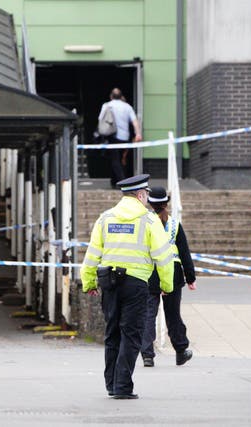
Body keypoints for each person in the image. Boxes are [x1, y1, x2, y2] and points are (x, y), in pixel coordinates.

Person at [81, 174, 174, 399]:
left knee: (112, 333)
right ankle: (123, 387)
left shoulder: (105, 218)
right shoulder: (149, 220)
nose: (147, 200)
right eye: (146, 196)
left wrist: (89, 281)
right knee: (131, 334)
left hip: (108, 283)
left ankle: (111, 384)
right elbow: (163, 257)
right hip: (136, 285)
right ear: (141, 195)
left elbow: (92, 254)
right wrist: (166, 285)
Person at [140, 187, 196, 368]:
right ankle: (181, 350)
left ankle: (147, 354)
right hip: (173, 273)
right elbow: (184, 252)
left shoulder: (144, 222)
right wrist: (190, 277)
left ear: (150, 202)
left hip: (150, 272)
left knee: (149, 313)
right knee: (173, 314)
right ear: (166, 203)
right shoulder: (174, 224)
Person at [98, 88, 143, 188]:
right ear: (121, 96)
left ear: (111, 96)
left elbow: (101, 119)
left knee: (115, 160)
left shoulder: (107, 105)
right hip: (125, 138)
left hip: (112, 136)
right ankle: (114, 181)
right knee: (121, 159)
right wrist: (138, 133)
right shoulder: (127, 107)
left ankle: (122, 181)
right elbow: (134, 121)